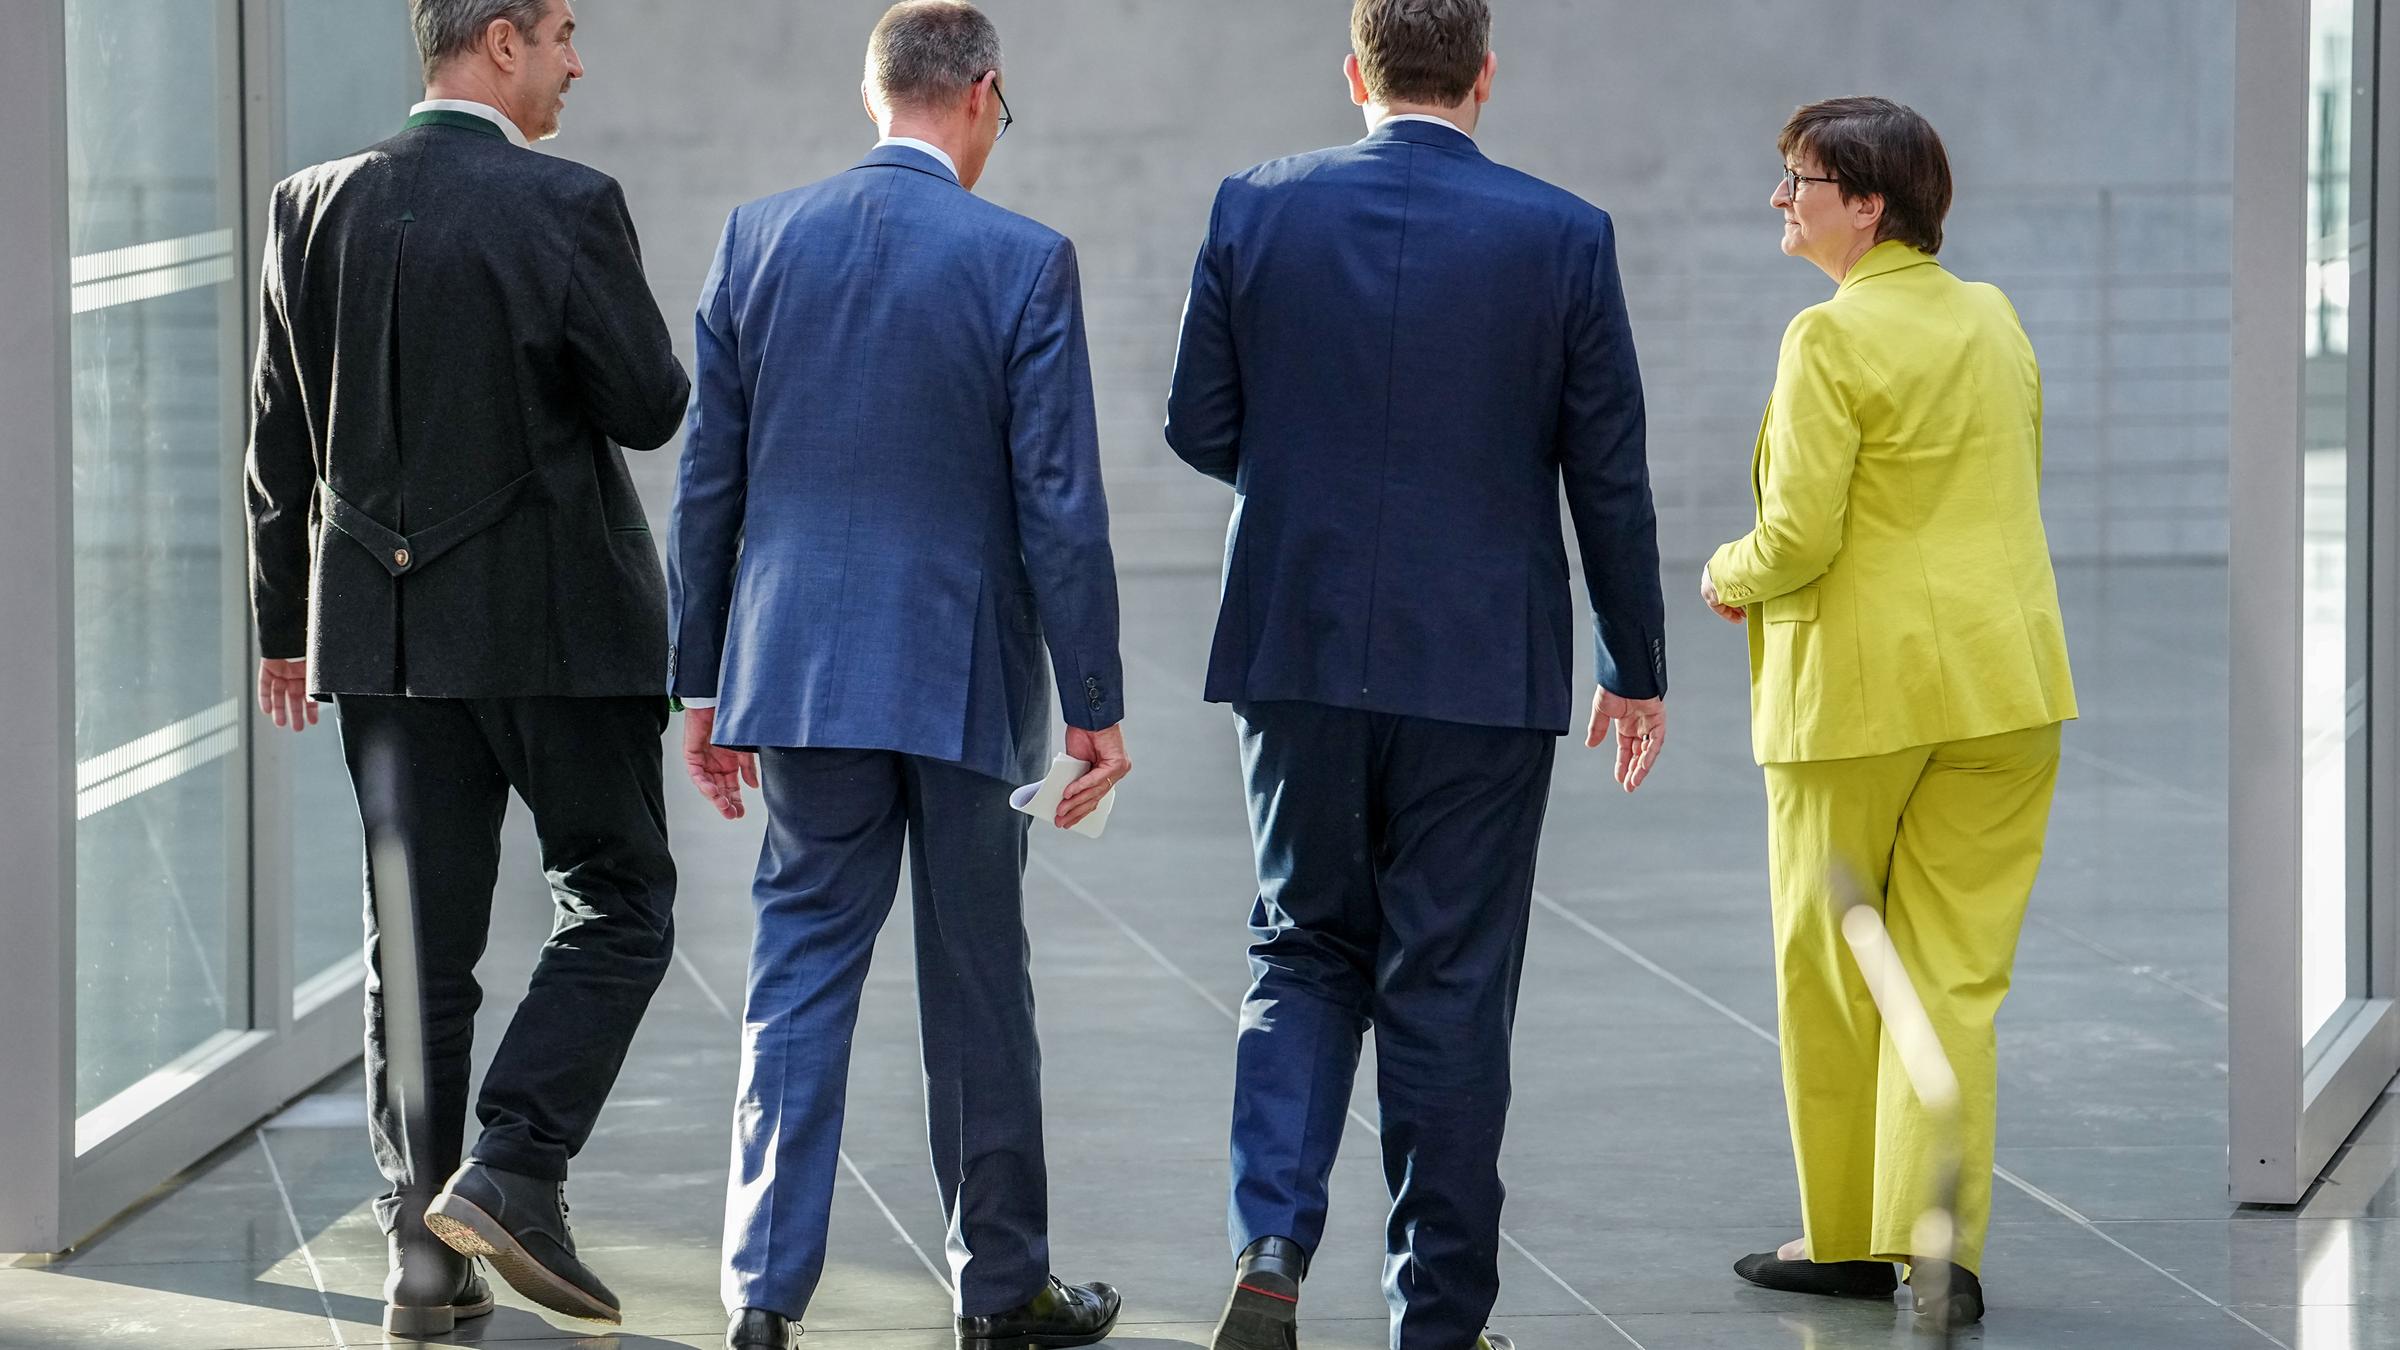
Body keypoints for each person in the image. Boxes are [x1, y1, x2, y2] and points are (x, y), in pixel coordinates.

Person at [1164, 3, 1667, 1346]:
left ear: (1356, 73)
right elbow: (1606, 473)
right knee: (1447, 981)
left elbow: (1197, 420)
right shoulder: (1564, 235)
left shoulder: (1254, 206)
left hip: (1298, 644)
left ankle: (1272, 1232)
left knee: (1303, 943)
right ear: (1485, 78)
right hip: (1481, 666)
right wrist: (1635, 661)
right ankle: (1437, 1315)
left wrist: (1311, 494)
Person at [665, 5, 1129, 1348]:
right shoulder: (1024, 258)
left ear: (877, 96)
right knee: (979, 978)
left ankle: (760, 1294)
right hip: (965, 678)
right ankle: (1002, 1292)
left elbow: (712, 485)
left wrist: (705, 682)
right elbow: (1061, 504)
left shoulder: (759, 240)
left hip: (799, 670)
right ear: (981, 95)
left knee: (798, 969)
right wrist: (1095, 700)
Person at [242, 0, 689, 1337]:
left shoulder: (306, 203)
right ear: (498, 41)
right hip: (562, 637)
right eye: (559, 34)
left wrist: (284, 627)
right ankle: (515, 1161)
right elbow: (649, 405)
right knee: (619, 899)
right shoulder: (567, 202)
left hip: (379, 647)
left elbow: (278, 442)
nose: (574, 60)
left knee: (417, 954)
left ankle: (419, 1264)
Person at [1705, 97, 2079, 1332]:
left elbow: (1802, 539)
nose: (1781, 199)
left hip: (1857, 703)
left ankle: (1856, 1245)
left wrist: (1725, 572)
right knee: (1954, 981)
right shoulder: (1996, 318)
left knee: (1834, 975)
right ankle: (1940, 1253)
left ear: (1868, 202)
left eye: (1799, 179)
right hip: (2007, 689)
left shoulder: (1827, 339)